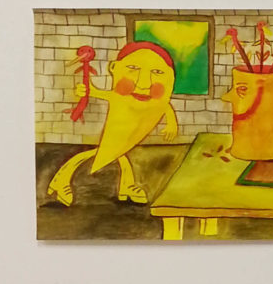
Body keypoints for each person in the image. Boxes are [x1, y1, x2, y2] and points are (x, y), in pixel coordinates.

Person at [47, 41, 178, 207]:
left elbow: (165, 106)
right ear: (114, 68)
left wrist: (172, 124)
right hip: (115, 134)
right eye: (133, 69)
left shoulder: (154, 104)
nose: (143, 84)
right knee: (104, 154)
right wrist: (84, 90)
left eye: (157, 72)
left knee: (120, 155)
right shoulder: (118, 97)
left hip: (127, 136)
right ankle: (62, 181)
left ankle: (126, 187)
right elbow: (94, 92)